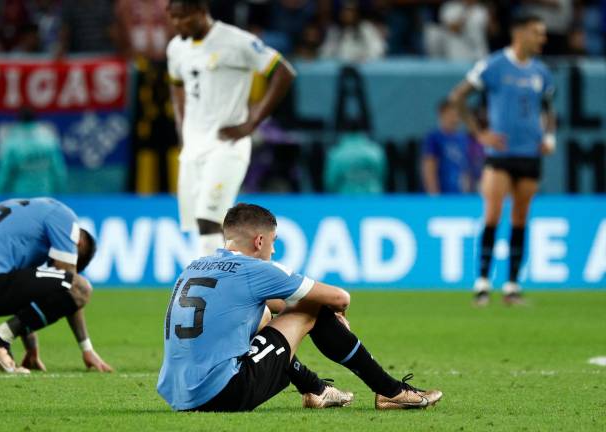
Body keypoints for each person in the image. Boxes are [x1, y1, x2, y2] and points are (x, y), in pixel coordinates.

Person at [157, 203, 442, 412]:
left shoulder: (194, 266)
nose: (273, 251)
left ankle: (316, 389)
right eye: (273, 243)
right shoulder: (256, 269)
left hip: (178, 394)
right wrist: (332, 314)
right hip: (223, 394)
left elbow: (274, 306)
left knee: (266, 314)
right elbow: (341, 297)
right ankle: (390, 390)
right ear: (259, 241)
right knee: (313, 308)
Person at [166, 0, 296, 257]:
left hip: (227, 144)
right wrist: (182, 127)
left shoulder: (236, 41)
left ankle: (209, 284)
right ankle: (220, 277)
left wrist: (252, 121)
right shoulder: (176, 48)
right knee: (199, 224)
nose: (177, 23)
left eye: (183, 17)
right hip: (193, 146)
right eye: (173, 18)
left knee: (209, 217)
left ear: (201, 11)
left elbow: (284, 72)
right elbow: (177, 84)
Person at [0, 198, 113, 374]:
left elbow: (22, 293)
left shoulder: (31, 216)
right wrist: (86, 348)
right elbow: (72, 287)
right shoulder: (65, 219)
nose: (53, 265)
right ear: (77, 243)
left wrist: (31, 350)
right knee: (80, 287)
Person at [449, 14, 556, 306]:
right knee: (493, 215)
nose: (542, 39)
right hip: (500, 155)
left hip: (529, 154)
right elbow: (458, 96)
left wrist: (549, 137)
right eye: (538, 32)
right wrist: (480, 134)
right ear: (520, 33)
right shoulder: (494, 65)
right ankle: (482, 284)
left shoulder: (541, 72)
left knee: (520, 219)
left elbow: (549, 110)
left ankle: (512, 287)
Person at [0, 108, 68, 196]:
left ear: (19, 120)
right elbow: (59, 171)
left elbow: (3, 174)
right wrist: (62, 194)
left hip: (21, 197)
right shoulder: (48, 139)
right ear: (35, 119)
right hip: (45, 196)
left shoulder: (12, 141)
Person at [421, 100, 473, 195]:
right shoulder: (434, 138)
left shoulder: (463, 138)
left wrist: (467, 192)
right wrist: (434, 193)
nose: (455, 118)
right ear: (442, 114)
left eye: (458, 114)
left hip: (459, 195)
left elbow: (465, 167)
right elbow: (429, 166)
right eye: (452, 113)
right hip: (442, 195)